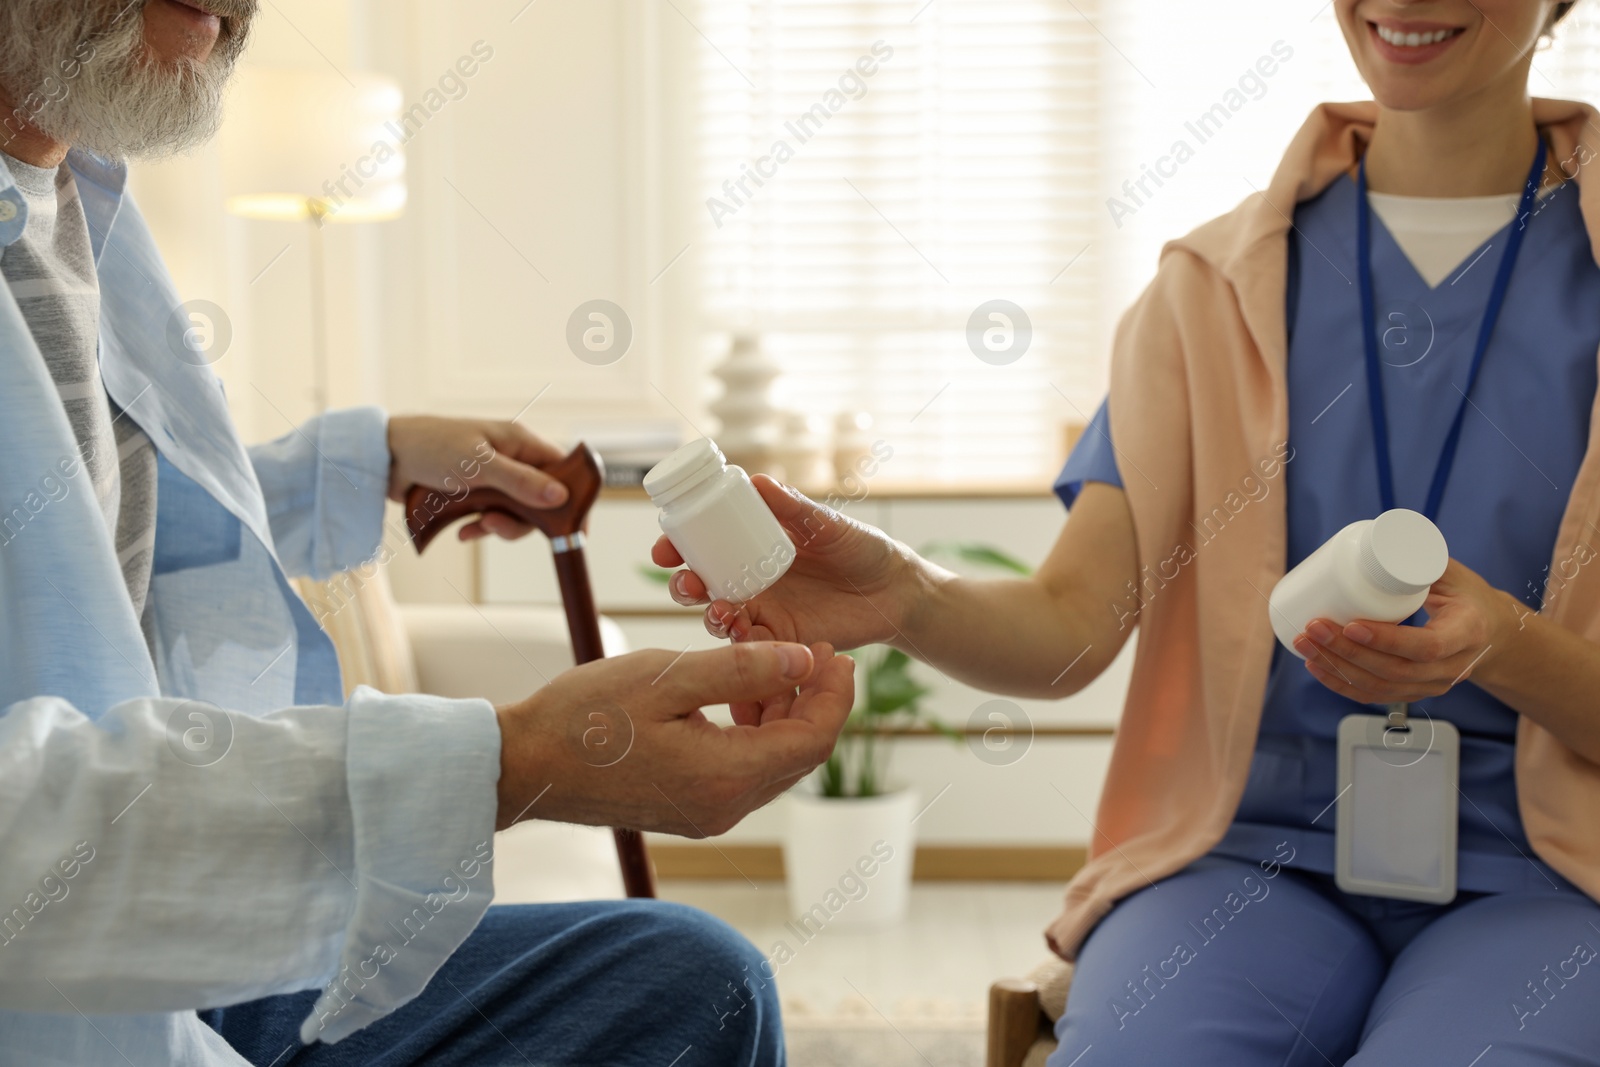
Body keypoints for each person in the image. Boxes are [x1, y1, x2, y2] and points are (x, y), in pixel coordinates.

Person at [658, 0, 1600, 1061]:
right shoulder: (1206, 289)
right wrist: (904, 597)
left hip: (1558, 877)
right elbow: (1070, 621)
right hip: (1243, 857)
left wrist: (1505, 644)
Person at [0, 1, 855, 1064]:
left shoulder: (74, 200)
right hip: (62, 989)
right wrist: (519, 759)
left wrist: (376, 460)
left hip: (160, 959)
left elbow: (107, 532)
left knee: (693, 980)